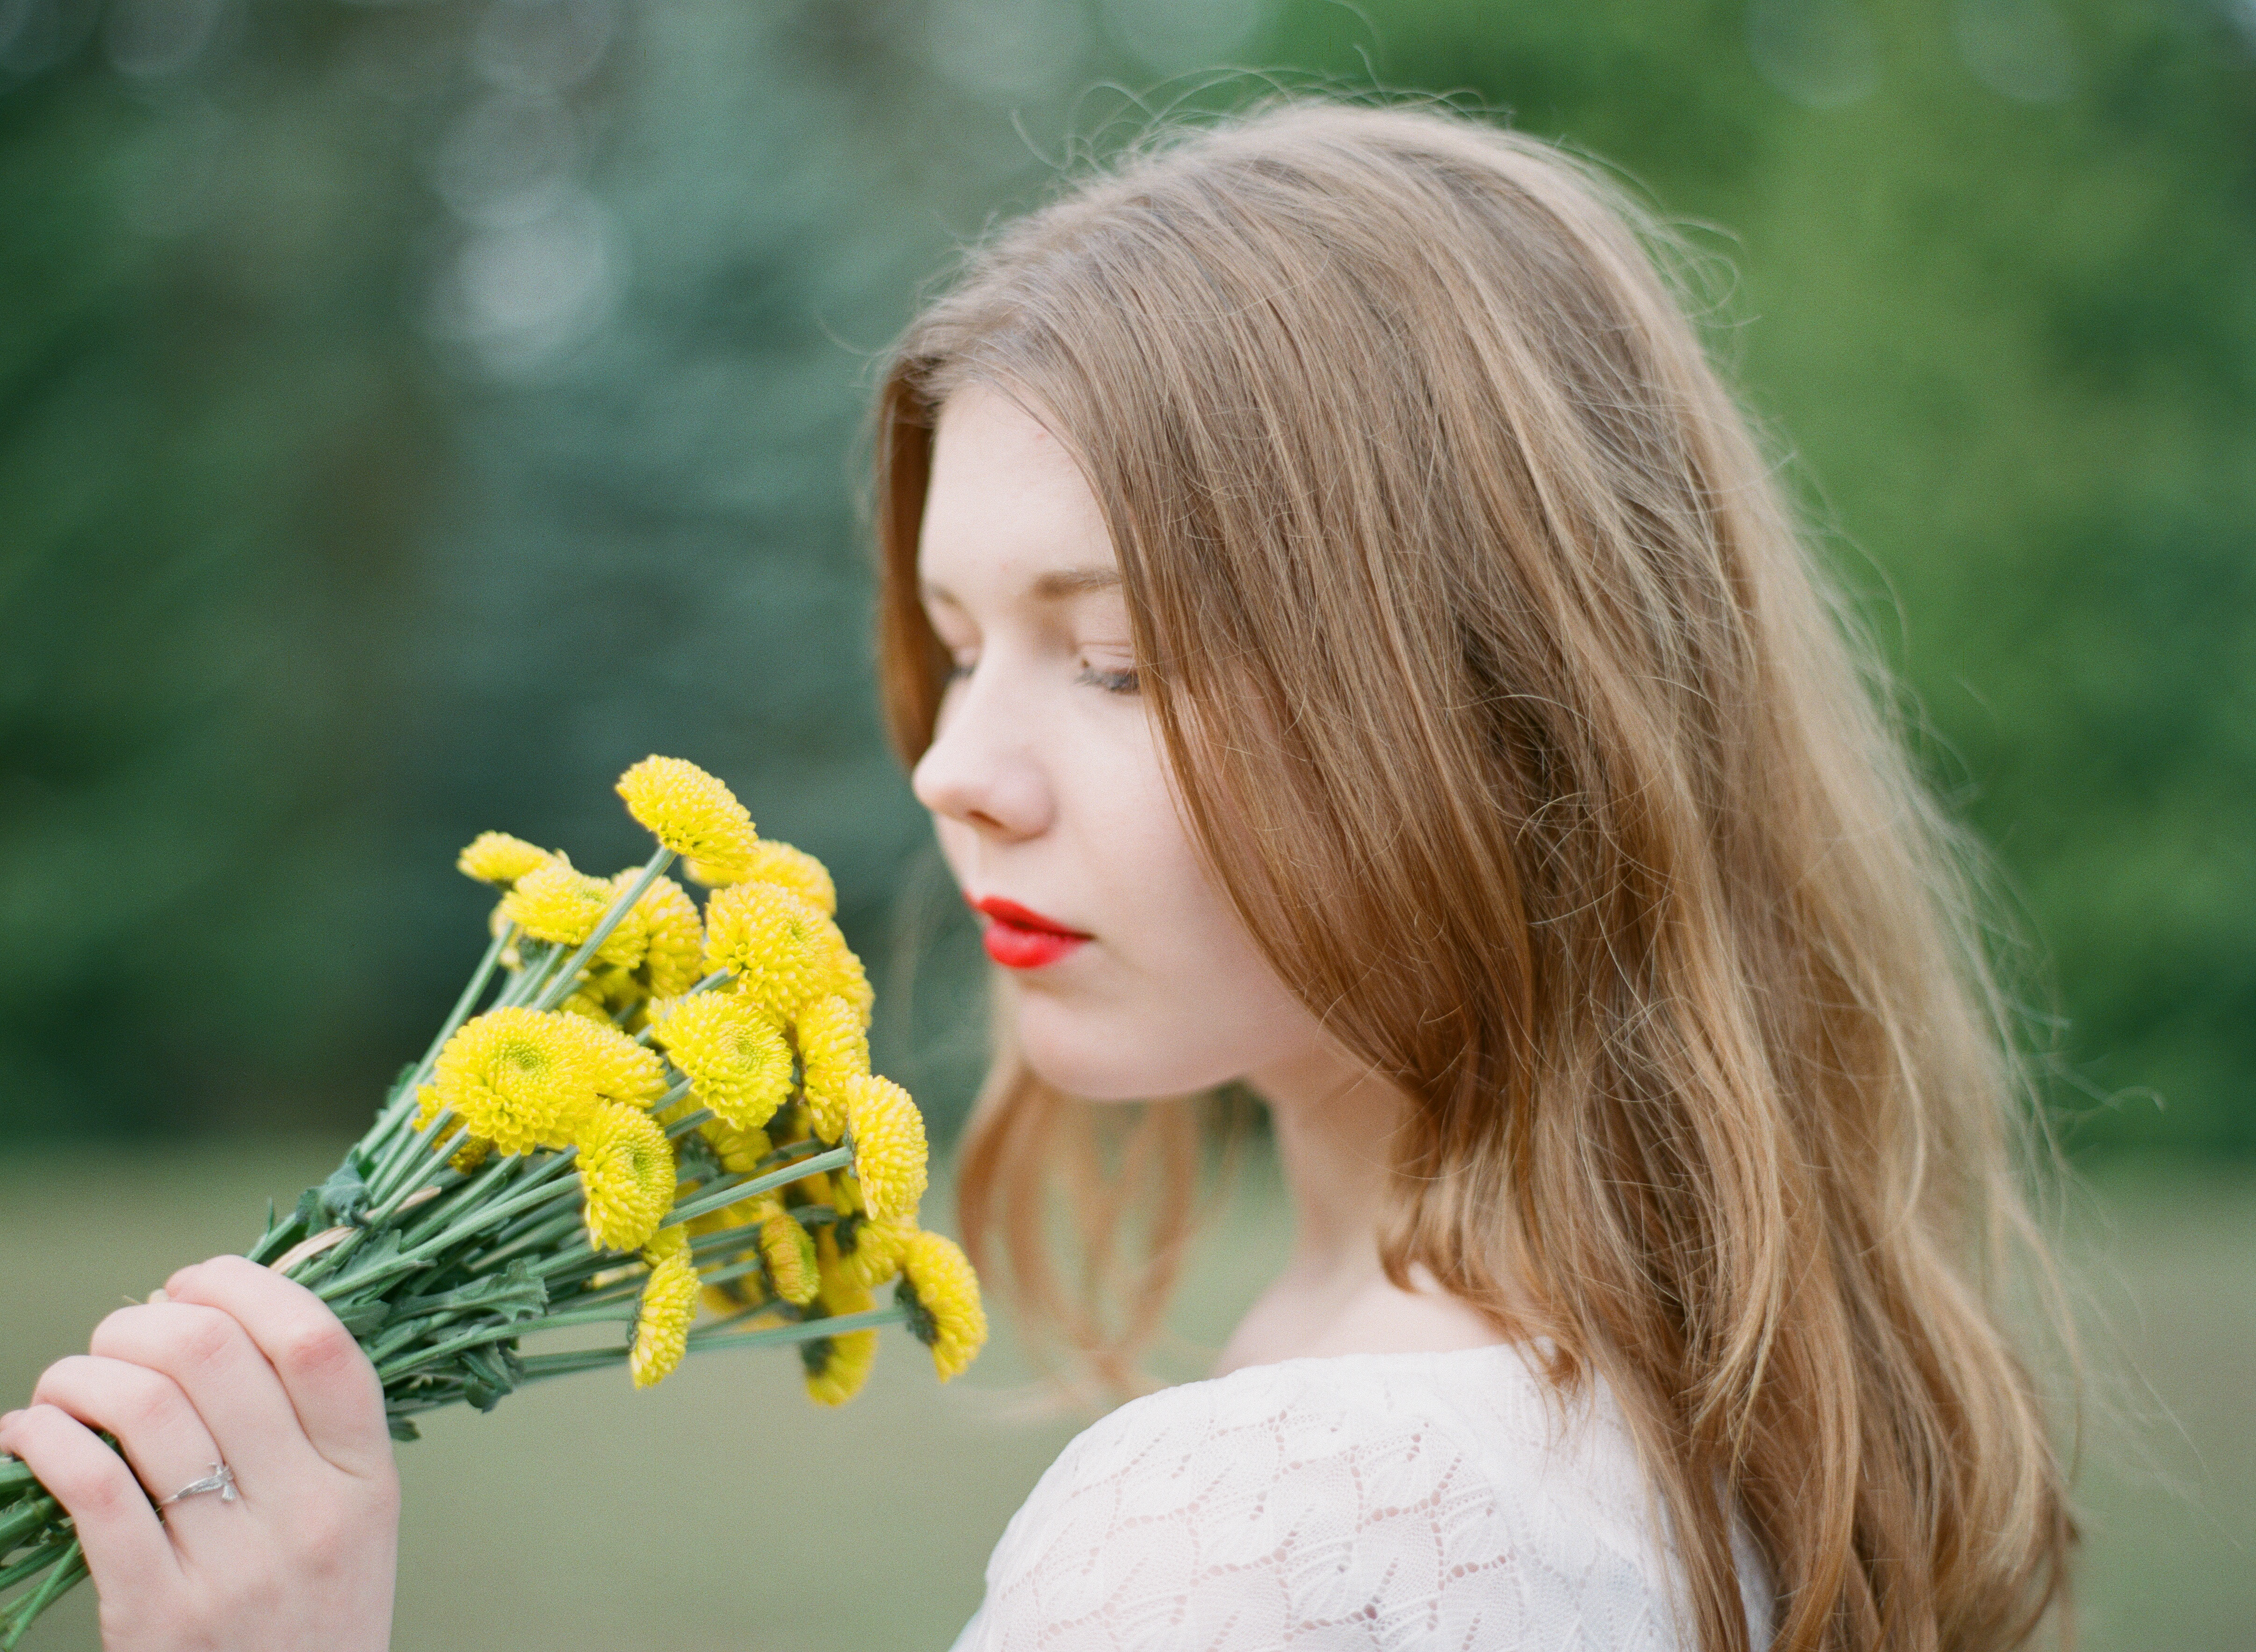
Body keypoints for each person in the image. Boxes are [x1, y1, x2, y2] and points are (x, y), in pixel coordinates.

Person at [0, 99, 2076, 1652]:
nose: (955, 769)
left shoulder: (1240, 1536)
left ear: (1494, 697)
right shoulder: (1742, 1412)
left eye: (1113, 656)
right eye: (958, 640)